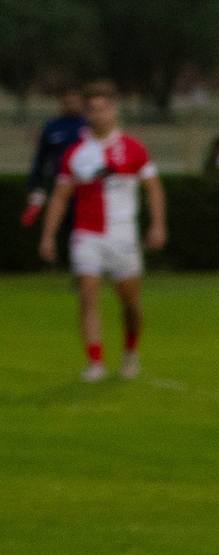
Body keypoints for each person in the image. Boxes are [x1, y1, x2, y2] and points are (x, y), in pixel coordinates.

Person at [38, 81, 166, 382]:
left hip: (123, 234)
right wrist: (48, 235)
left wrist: (158, 224)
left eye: (103, 108)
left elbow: (153, 188)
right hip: (87, 233)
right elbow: (61, 196)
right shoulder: (76, 152)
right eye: (92, 109)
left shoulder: (133, 148)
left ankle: (130, 352)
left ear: (114, 110)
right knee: (87, 292)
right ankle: (95, 361)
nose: (98, 115)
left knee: (129, 301)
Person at [21, 86, 86, 230]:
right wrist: (34, 186)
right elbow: (41, 158)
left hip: (84, 189)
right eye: (68, 102)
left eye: (75, 102)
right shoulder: (52, 126)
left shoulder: (89, 126)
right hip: (58, 186)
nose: (71, 105)